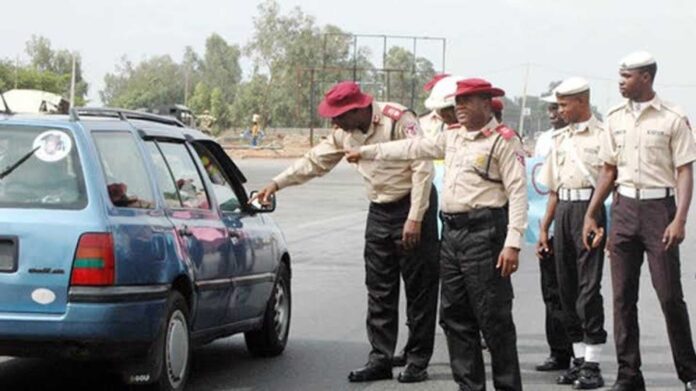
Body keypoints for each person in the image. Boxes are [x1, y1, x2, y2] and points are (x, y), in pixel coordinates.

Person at [253, 81, 439, 384]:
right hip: (380, 210)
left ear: (356, 110)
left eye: (337, 115)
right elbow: (315, 161)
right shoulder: (344, 133)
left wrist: (415, 218)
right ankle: (380, 358)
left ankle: (417, 360)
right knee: (379, 290)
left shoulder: (399, 119)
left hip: (414, 206)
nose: (333, 122)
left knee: (420, 289)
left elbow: (422, 166)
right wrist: (276, 183)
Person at [347, 77, 527, 391]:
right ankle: (470, 386)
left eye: (466, 102)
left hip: (484, 233)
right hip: (453, 234)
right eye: (456, 103)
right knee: (454, 317)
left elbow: (518, 193)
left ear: (486, 103)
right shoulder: (453, 136)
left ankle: (507, 387)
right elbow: (413, 147)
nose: (459, 110)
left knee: (493, 318)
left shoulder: (503, 140)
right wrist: (369, 152)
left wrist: (512, 243)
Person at [582, 51, 696, 391]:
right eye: (620, 76)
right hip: (624, 209)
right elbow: (607, 170)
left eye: (626, 77)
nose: (620, 82)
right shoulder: (614, 118)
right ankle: (629, 375)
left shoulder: (673, 117)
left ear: (645, 77)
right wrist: (592, 212)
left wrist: (679, 218)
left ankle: (690, 373)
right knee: (621, 297)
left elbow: (684, 170)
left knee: (669, 296)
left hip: (659, 210)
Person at [537, 77, 607, 389]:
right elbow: (553, 190)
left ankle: (593, 363)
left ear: (582, 101)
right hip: (563, 211)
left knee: (588, 290)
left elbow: (611, 181)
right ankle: (578, 360)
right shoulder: (560, 138)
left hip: (589, 212)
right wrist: (544, 228)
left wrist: (605, 224)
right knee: (566, 289)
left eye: (564, 104)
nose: (560, 110)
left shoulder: (604, 135)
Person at [392, 74, 462, 368]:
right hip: (420, 211)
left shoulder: (465, 128)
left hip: (453, 210)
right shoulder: (419, 123)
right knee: (417, 281)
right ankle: (413, 346)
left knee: (441, 286)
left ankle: (449, 341)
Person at [532, 90, 574, 374]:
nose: (552, 113)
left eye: (557, 107)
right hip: (547, 223)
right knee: (551, 291)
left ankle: (581, 353)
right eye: (549, 108)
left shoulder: (587, 137)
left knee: (575, 291)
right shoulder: (544, 140)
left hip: (575, 222)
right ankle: (558, 352)